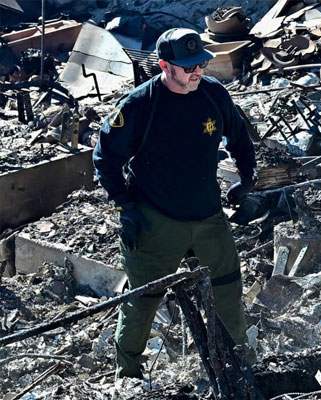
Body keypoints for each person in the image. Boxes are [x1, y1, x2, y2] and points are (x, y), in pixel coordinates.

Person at [93, 27, 256, 379]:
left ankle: (240, 362)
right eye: (187, 66)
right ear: (165, 66)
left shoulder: (213, 95)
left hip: (208, 214)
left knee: (227, 288)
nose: (196, 71)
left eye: (200, 63)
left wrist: (247, 180)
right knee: (143, 300)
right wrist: (125, 209)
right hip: (156, 219)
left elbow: (241, 138)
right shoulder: (139, 106)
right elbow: (104, 159)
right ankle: (129, 373)